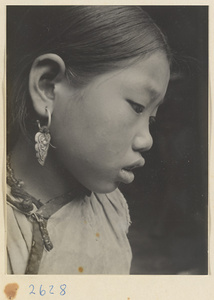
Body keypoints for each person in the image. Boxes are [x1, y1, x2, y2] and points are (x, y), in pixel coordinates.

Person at [6, 6, 171, 274]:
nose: (147, 140)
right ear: (48, 86)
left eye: (151, 119)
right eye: (138, 106)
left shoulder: (111, 209)